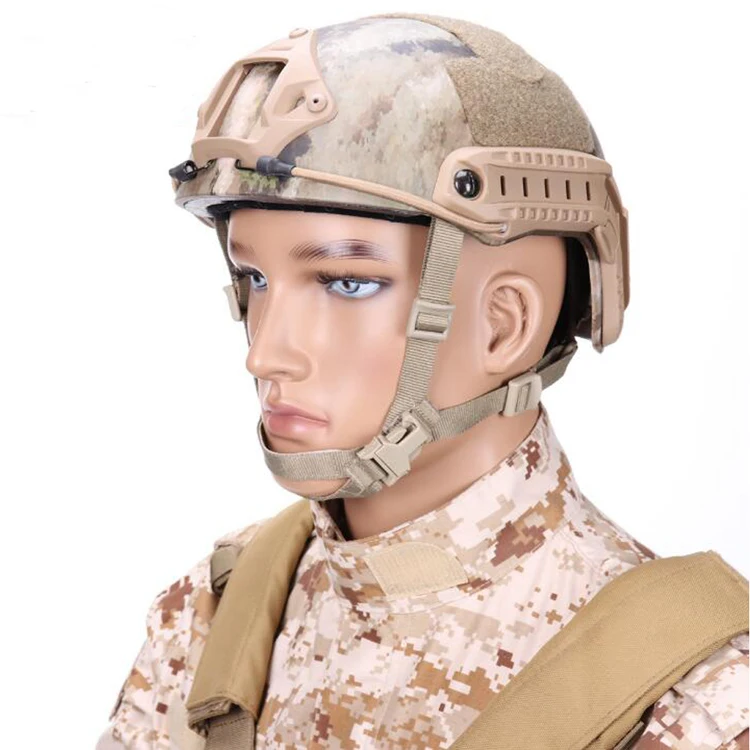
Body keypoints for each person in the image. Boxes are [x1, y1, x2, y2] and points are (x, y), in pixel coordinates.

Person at [96, 13, 749, 750]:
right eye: (255, 279)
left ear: (503, 325)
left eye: (345, 283)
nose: (266, 354)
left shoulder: (698, 704)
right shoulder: (215, 618)